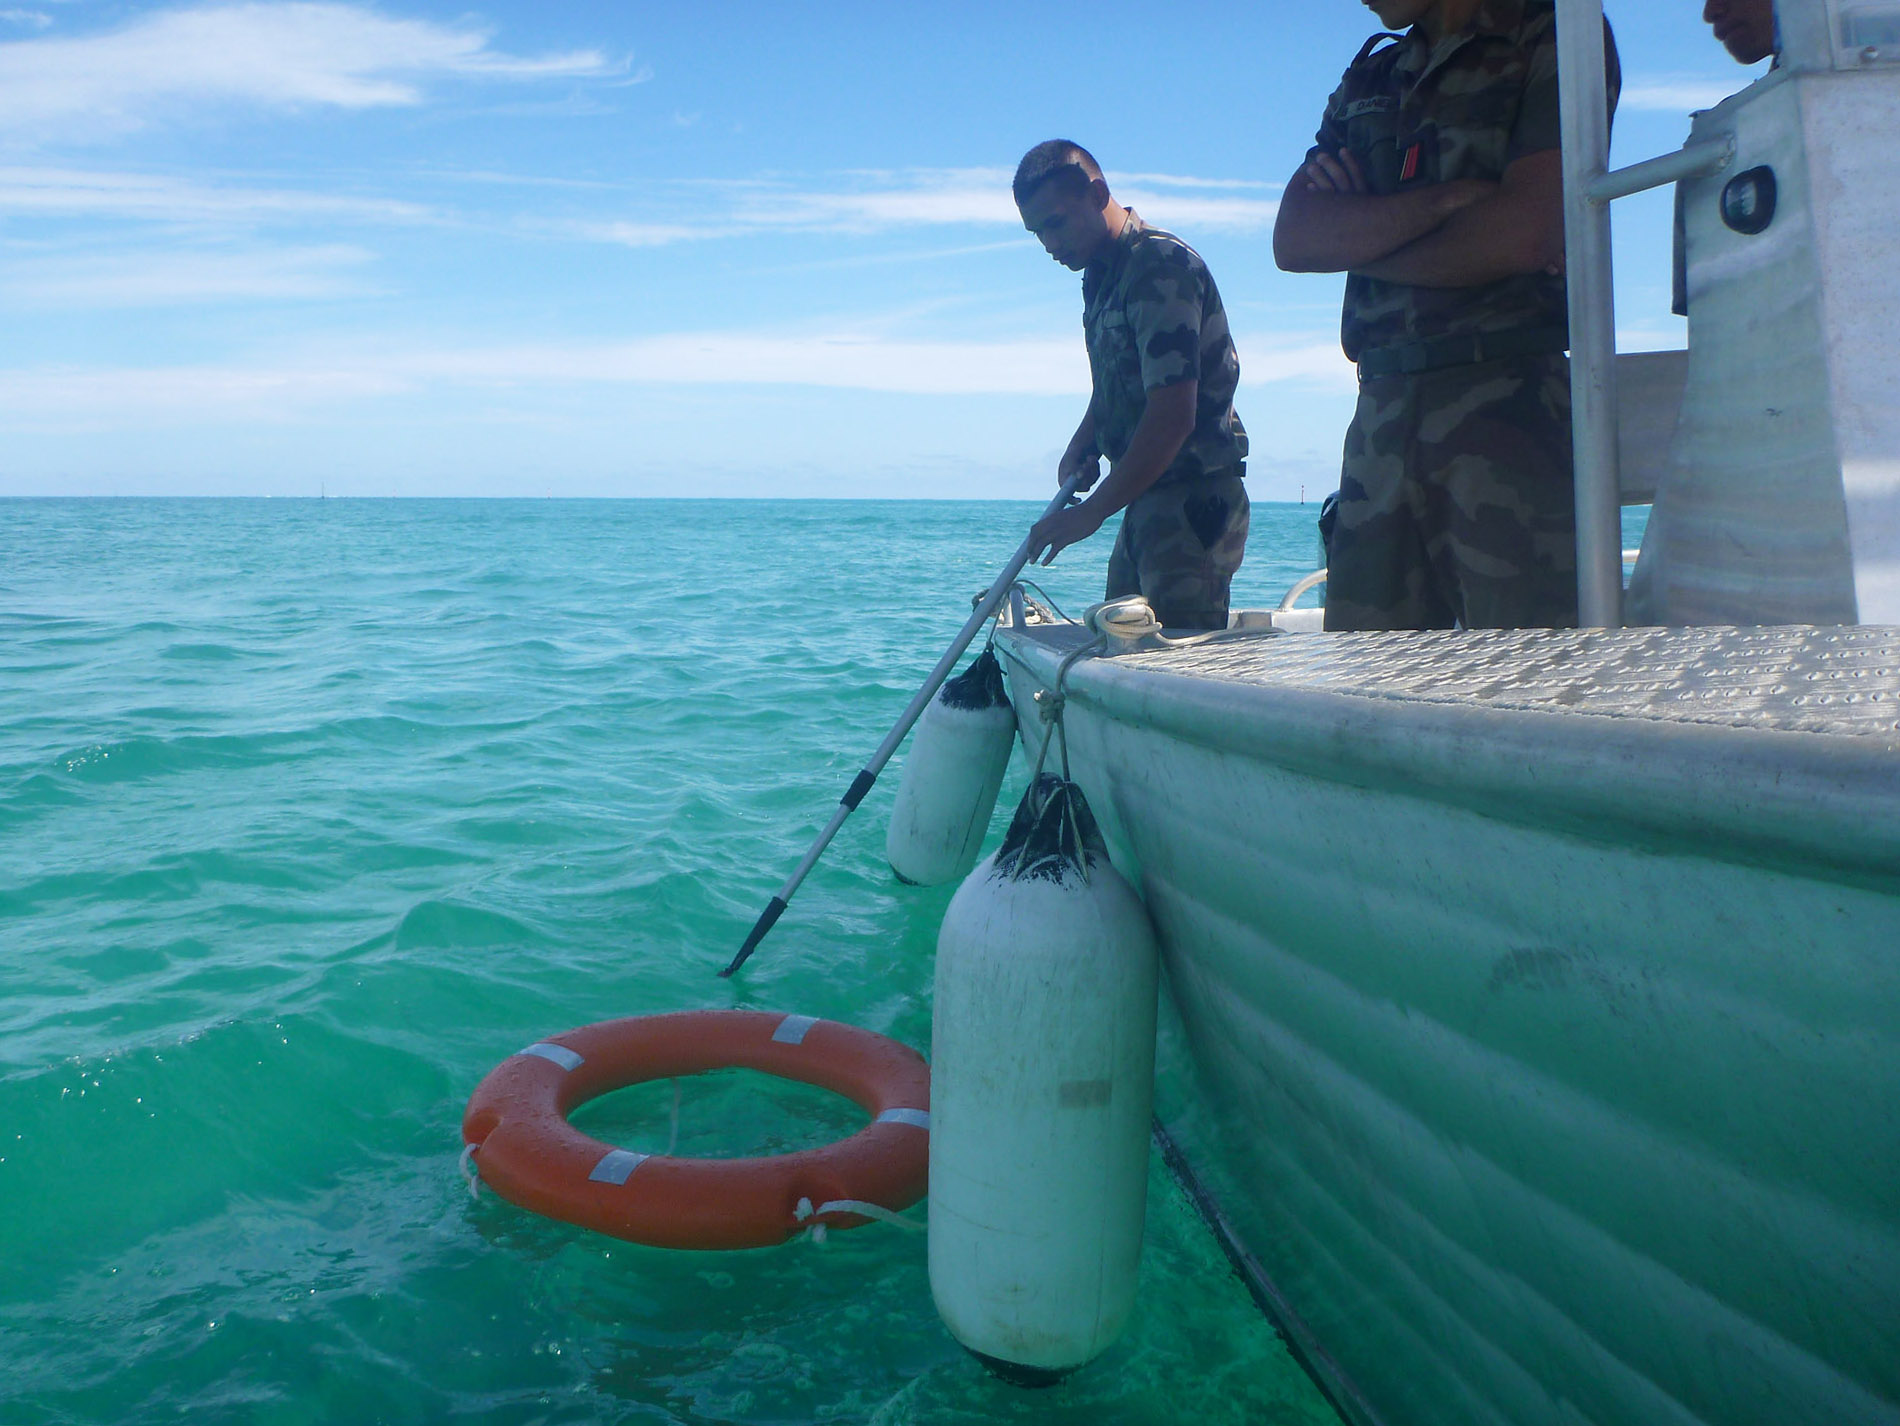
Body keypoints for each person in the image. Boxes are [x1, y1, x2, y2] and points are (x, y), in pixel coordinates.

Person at [1275, 0, 1619, 631]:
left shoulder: (1550, 34)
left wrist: (1364, 241)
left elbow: (1525, 234)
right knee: (1370, 686)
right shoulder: (1371, 77)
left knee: (1533, 683)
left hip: (1508, 410)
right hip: (1379, 415)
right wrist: (1453, 200)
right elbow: (1296, 240)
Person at [1016, 141, 1251, 632]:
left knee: (1178, 674)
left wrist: (1091, 514)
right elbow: (1120, 385)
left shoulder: (1159, 266)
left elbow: (1172, 415)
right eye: (1036, 232)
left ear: (1097, 192)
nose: (1048, 245)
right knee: (1121, 651)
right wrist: (1085, 442)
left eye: (1055, 224)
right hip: (1143, 498)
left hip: (1191, 503)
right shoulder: (1103, 276)